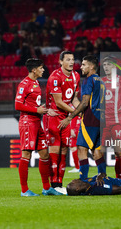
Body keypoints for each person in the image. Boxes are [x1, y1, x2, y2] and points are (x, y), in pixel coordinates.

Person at [15, 58, 62, 197]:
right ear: (34, 70)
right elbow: (18, 105)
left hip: (37, 122)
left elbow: (34, 105)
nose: (43, 70)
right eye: (41, 68)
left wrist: (46, 110)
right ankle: (24, 190)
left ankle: (46, 188)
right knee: (26, 155)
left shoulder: (35, 83)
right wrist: (37, 111)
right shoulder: (24, 84)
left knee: (44, 154)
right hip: (27, 122)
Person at [59, 55, 106, 182]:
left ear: (91, 66)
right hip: (100, 119)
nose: (81, 67)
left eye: (84, 64)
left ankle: (83, 180)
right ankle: (103, 176)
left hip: (90, 119)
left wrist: (71, 117)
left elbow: (85, 102)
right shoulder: (101, 81)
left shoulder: (88, 80)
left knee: (81, 149)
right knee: (96, 151)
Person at [44, 51, 81, 194]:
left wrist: (81, 109)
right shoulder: (55, 77)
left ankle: (59, 183)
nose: (71, 62)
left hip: (66, 117)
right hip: (53, 117)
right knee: (54, 151)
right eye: (68, 59)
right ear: (60, 62)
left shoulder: (75, 76)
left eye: (73, 59)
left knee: (64, 151)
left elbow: (74, 99)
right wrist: (75, 112)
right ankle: (52, 185)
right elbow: (58, 102)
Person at [101, 57, 121, 178]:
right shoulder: (101, 81)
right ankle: (103, 177)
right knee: (100, 151)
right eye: (104, 65)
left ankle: (119, 178)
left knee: (118, 151)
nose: (106, 67)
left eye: (109, 65)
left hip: (117, 121)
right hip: (104, 123)